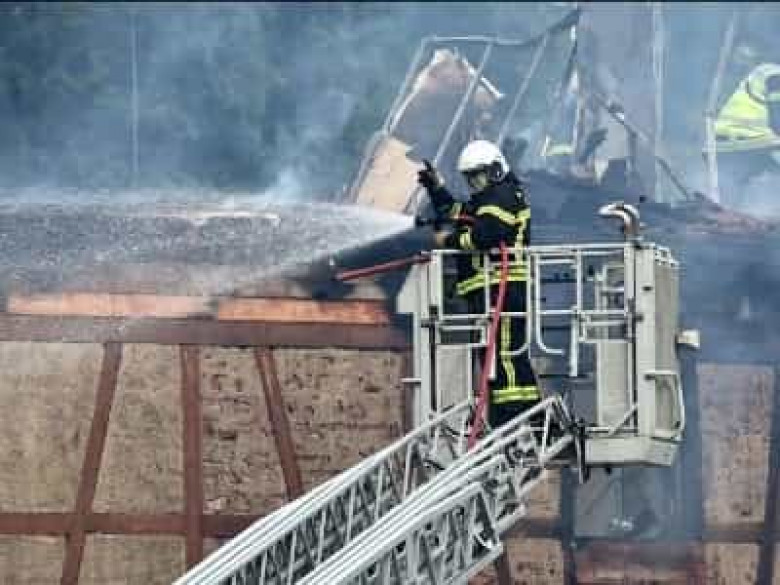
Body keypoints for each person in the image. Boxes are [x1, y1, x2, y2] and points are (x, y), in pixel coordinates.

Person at [417, 140, 541, 430]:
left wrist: (447, 240)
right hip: (488, 290)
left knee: (506, 354)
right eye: (470, 178)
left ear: (495, 170)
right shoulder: (487, 199)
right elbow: (458, 213)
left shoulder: (502, 196)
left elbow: (485, 234)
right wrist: (437, 188)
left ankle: (516, 416)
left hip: (503, 289)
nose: (474, 183)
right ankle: (509, 415)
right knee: (494, 355)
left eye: (479, 176)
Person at [714, 63, 780, 209]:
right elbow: (778, 120)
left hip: (727, 143)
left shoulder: (765, 71)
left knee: (732, 198)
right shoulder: (775, 76)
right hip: (746, 141)